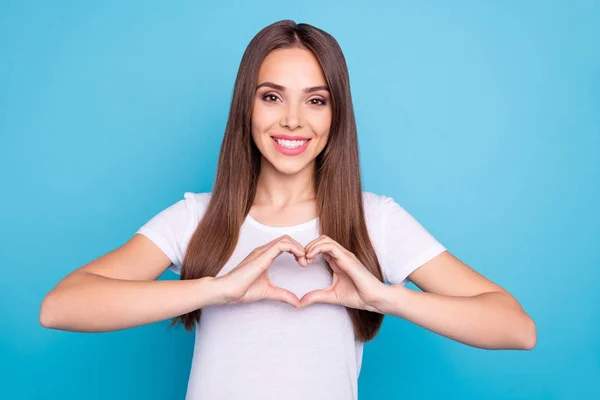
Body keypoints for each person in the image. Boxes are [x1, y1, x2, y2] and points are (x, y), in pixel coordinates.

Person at [39, 19, 536, 400]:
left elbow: (516, 327)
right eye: (272, 97)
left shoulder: (375, 219)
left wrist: (385, 297)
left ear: (335, 113)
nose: (293, 120)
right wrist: (220, 289)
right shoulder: (197, 217)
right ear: (247, 107)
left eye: (315, 100)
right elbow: (62, 306)